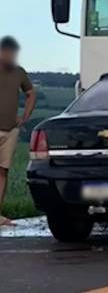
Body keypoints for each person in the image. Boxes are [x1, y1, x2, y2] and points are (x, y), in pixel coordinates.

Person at [0, 36, 36, 226]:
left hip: (11, 130)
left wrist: (24, 117)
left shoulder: (19, 72)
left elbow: (31, 94)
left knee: (3, 171)